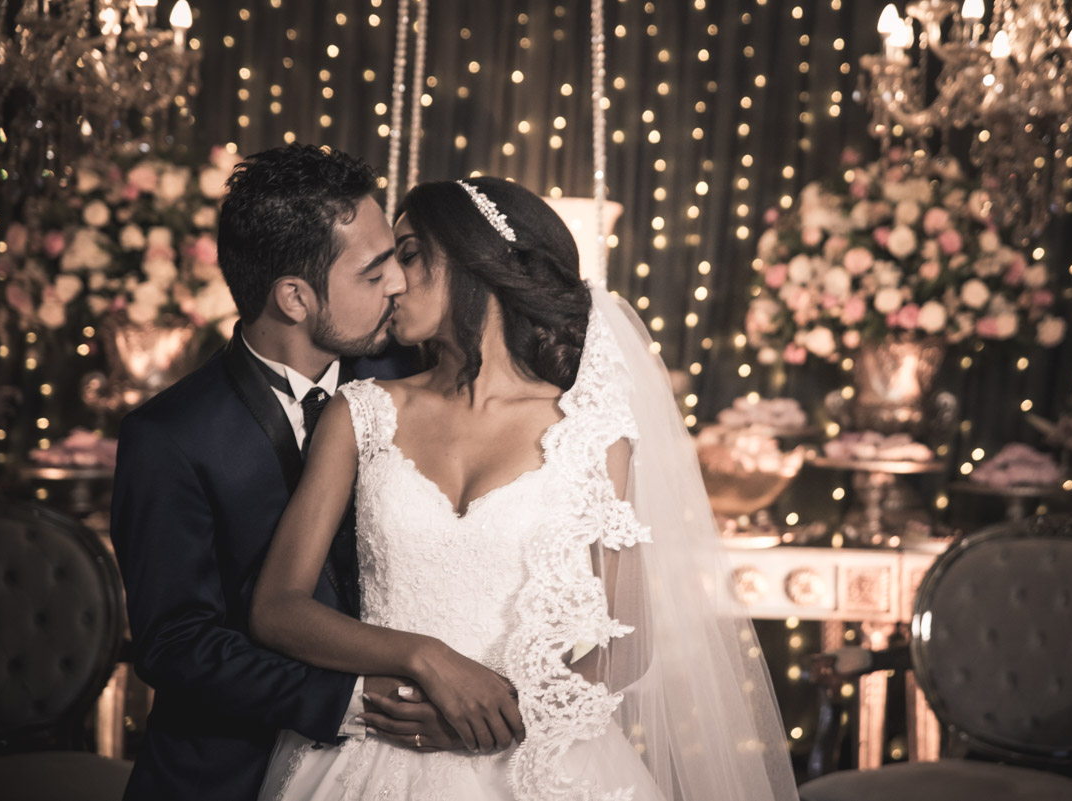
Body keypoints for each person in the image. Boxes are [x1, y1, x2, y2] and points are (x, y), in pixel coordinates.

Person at [251, 176, 800, 801]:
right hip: (376, 747)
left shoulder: (592, 432)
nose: (393, 282)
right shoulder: (361, 412)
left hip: (539, 762)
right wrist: (426, 657)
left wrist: (508, 714)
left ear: (474, 263)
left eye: (408, 254)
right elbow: (278, 608)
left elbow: (631, 639)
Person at [110, 144, 461, 801]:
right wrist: (353, 699)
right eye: (373, 271)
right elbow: (177, 644)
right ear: (295, 298)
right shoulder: (167, 437)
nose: (398, 284)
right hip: (224, 777)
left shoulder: (411, 394)